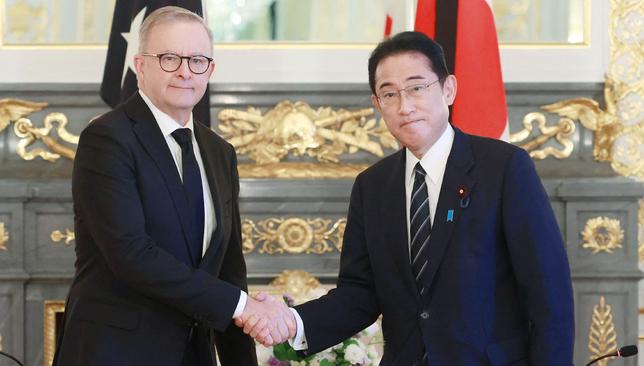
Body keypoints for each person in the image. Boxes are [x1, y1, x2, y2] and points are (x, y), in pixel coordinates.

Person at [241, 31, 575, 365]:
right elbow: (360, 294)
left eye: (417, 87)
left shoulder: (503, 169)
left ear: (448, 89)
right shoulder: (372, 186)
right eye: (390, 94)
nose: (405, 106)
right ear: (377, 104)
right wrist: (292, 321)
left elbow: (549, 294)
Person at [53, 6, 293, 366]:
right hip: (114, 352)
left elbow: (229, 269)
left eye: (197, 60)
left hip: (192, 354)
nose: (184, 71)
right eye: (169, 58)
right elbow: (132, 254)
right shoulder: (106, 139)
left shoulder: (219, 151)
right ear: (140, 65)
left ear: (210, 70)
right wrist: (242, 307)